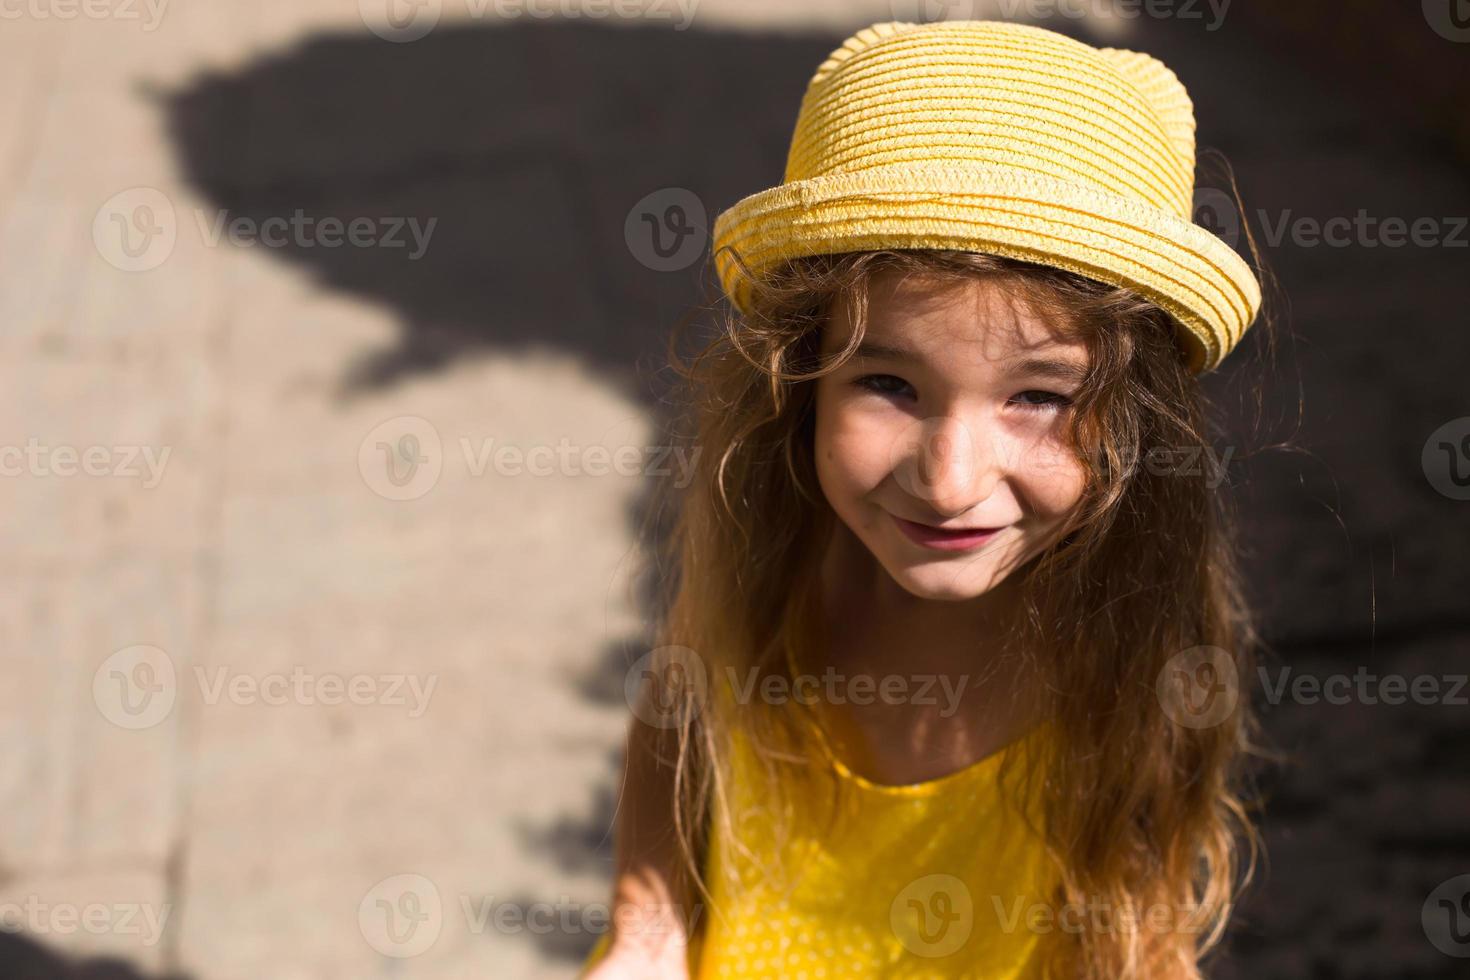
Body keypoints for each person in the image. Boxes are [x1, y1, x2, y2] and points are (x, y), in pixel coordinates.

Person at [582, 17, 1274, 979]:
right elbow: (679, 703)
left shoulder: (1122, 659)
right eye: (891, 386)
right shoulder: (774, 580)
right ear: (799, 381)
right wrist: (649, 925)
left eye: (1039, 397)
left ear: (1136, 422)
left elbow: (1132, 925)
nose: (949, 483)